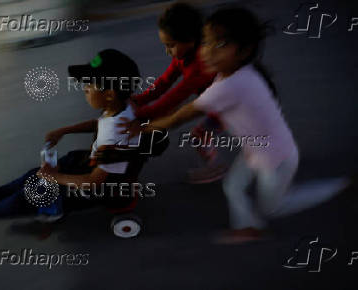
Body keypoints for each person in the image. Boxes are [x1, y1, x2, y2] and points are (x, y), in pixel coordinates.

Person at [120, 7, 345, 244]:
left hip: (276, 158)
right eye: (206, 42)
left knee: (274, 207)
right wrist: (140, 105)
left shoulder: (228, 86)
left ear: (244, 51)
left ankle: (339, 187)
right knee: (233, 187)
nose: (207, 52)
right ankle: (249, 228)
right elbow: (166, 87)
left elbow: (177, 117)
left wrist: (140, 127)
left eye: (220, 45)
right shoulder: (232, 73)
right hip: (256, 150)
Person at [0, 49, 144, 231]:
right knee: (35, 174)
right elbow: (100, 124)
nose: (84, 88)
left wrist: (54, 177)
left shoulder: (116, 136)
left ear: (109, 94)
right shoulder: (122, 108)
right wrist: (64, 131)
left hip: (96, 187)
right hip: (90, 165)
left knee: (32, 193)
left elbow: (93, 183)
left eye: (89, 85)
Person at [129, 2, 228, 184]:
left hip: (228, 106)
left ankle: (217, 168)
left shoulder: (200, 65)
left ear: (190, 39)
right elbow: (164, 82)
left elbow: (173, 98)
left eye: (171, 45)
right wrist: (140, 99)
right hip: (215, 101)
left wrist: (140, 114)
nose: (168, 51)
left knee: (199, 135)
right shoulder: (184, 55)